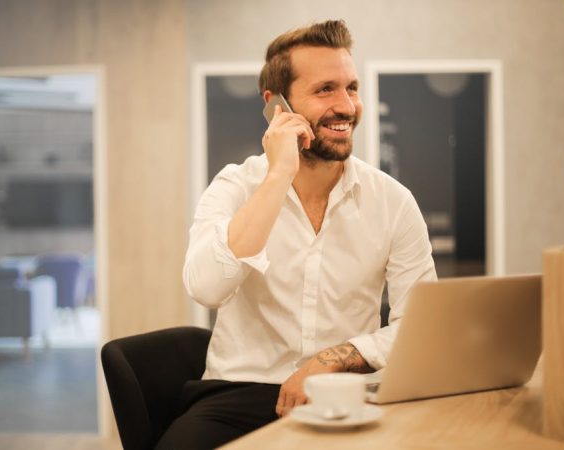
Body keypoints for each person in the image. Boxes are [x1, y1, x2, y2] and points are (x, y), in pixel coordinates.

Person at [159, 19, 437, 449]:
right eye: (325, 89)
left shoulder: (394, 202)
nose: (346, 106)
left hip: (347, 394)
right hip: (238, 394)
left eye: (352, 87)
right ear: (277, 107)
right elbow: (207, 288)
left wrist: (331, 360)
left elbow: (419, 327)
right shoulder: (235, 186)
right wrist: (279, 175)